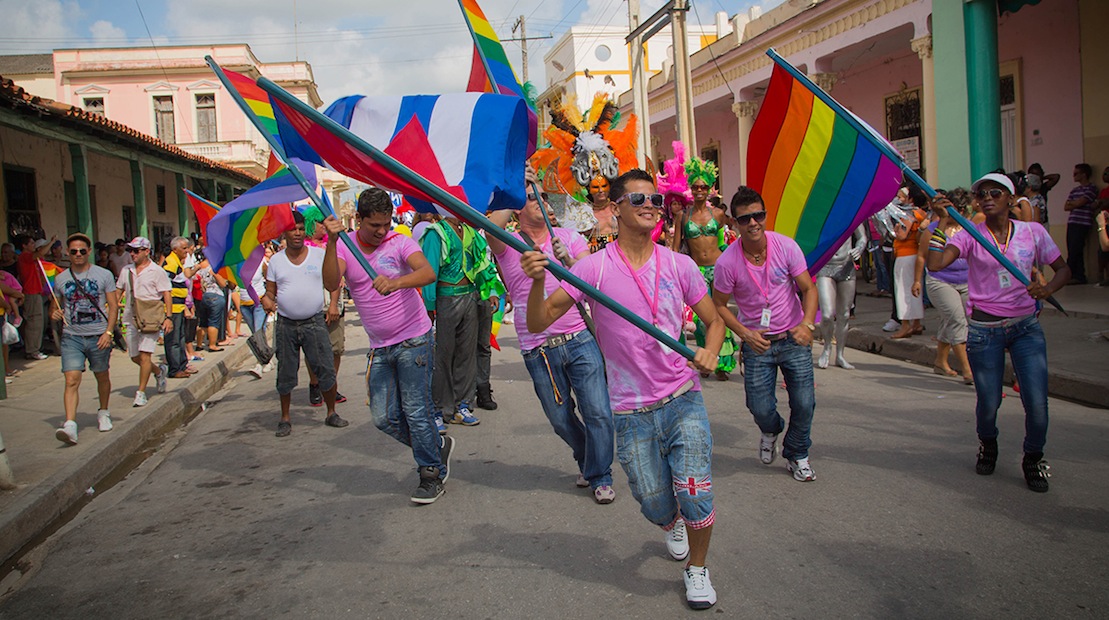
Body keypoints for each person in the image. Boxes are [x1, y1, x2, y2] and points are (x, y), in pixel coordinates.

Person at [523, 169, 725, 609]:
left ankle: (697, 568)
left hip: (682, 397)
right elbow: (538, 322)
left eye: (654, 198)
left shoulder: (679, 264)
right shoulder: (591, 269)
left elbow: (714, 320)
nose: (651, 204)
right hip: (631, 410)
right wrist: (539, 280)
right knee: (654, 503)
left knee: (695, 490)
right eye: (638, 199)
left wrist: (710, 350)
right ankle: (670, 521)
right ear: (615, 210)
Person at [927, 173, 1070, 493]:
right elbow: (935, 264)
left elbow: (1064, 269)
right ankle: (988, 445)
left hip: (1026, 329)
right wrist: (940, 223)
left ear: (1010, 197)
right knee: (989, 402)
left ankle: (1033, 457)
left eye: (995, 192)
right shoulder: (969, 235)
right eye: (981, 193)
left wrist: (1046, 289)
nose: (987, 197)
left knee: (1036, 402)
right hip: (983, 332)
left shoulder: (1033, 232)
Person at [488, 180, 617, 505]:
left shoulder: (569, 238)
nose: (540, 201)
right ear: (518, 205)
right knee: (560, 419)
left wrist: (571, 264)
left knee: (598, 412)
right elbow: (489, 228)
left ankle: (600, 474)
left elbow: (593, 283)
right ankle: (587, 457)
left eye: (542, 197)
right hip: (537, 348)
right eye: (530, 197)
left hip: (578, 339)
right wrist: (515, 187)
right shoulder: (509, 242)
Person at [322, 191, 452, 504]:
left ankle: (430, 474)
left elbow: (427, 272)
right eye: (374, 225)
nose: (382, 230)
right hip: (379, 346)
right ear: (360, 220)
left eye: (386, 223)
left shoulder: (400, 242)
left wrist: (394, 283)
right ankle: (436, 447)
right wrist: (330, 242)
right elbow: (330, 283)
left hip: (414, 340)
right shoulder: (346, 246)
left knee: (416, 410)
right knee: (384, 418)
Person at [713, 186, 819, 482]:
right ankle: (770, 429)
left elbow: (808, 288)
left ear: (765, 215)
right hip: (758, 344)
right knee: (759, 407)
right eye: (745, 219)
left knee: (804, 402)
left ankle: (797, 453)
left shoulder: (786, 247)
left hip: (793, 337)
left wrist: (807, 324)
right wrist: (745, 335)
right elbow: (719, 306)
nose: (753, 223)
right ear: (734, 223)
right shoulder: (727, 263)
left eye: (758, 215)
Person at [262, 212, 348, 437]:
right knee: (286, 373)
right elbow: (270, 292)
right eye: (293, 229)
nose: (298, 233)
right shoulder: (276, 261)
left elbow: (332, 282)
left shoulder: (319, 255)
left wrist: (332, 243)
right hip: (286, 325)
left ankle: (331, 412)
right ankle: (285, 418)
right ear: (285, 232)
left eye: (301, 228)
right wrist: (267, 300)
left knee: (326, 370)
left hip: (314, 322)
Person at [421, 215, 503, 428]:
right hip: (446, 297)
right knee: (444, 355)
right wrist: (429, 306)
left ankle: (461, 405)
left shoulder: (470, 232)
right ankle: (439, 409)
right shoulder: (435, 232)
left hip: (470, 296)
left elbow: (483, 263)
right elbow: (429, 271)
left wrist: (491, 290)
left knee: (467, 355)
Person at [669, 150, 738, 381]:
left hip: (717, 269)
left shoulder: (718, 214)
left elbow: (729, 240)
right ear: (691, 188)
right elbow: (677, 247)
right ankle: (705, 356)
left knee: (720, 313)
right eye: (696, 187)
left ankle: (723, 363)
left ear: (709, 189)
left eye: (704, 187)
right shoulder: (683, 216)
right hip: (695, 271)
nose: (699, 191)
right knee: (699, 319)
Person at [52, 233, 119, 444]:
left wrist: (108, 332)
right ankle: (70, 424)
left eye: (82, 251)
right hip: (72, 336)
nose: (78, 254)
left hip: (98, 335)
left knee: (101, 375)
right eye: (74, 252)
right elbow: (56, 306)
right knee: (71, 379)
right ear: (68, 254)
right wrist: (54, 313)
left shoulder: (104, 275)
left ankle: (104, 411)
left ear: (89, 252)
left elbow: (113, 305)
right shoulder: (61, 279)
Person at [917, 189, 973, 384]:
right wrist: (917, 281)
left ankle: (940, 361)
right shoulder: (933, 229)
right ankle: (968, 369)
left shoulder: (970, 228)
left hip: (967, 282)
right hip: (940, 281)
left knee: (955, 319)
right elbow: (923, 257)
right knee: (957, 319)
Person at [115, 237, 170, 408]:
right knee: (135, 356)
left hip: (150, 317)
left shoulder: (157, 271)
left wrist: (168, 317)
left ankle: (141, 392)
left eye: (136, 250)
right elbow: (119, 290)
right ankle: (158, 371)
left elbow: (166, 293)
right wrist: (113, 307)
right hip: (131, 317)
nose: (133, 254)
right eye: (130, 250)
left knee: (146, 355)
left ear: (147, 251)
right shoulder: (127, 270)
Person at [815, 226, 865, 369]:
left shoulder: (852, 212)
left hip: (846, 266)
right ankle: (827, 347)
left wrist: (859, 248)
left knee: (844, 314)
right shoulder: (824, 213)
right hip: (825, 266)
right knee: (827, 314)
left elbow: (862, 237)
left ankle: (840, 355)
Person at [163, 237, 203, 379]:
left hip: (180, 304)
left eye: (187, 248)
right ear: (175, 249)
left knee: (180, 337)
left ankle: (182, 365)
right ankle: (174, 369)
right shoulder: (170, 262)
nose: (187, 251)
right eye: (184, 248)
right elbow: (165, 285)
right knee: (173, 340)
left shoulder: (178, 262)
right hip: (173, 306)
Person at [890, 187, 927, 338]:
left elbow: (902, 235)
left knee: (903, 290)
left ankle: (905, 325)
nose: (899, 199)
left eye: (902, 197)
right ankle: (916, 323)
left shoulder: (908, 214)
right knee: (915, 290)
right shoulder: (922, 214)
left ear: (910, 199)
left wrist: (896, 229)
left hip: (905, 254)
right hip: (915, 254)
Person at [15, 234, 54, 360]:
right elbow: (39, 253)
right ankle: (32, 350)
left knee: (38, 322)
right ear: (24, 246)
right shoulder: (25, 256)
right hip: (30, 292)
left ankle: (36, 347)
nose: (33, 246)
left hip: (36, 292)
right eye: (31, 243)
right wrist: (52, 242)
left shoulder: (30, 259)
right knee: (34, 322)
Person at [1063, 163, 1097, 284]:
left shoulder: (1091, 188)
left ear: (1084, 174)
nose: (1074, 175)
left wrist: (1075, 203)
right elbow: (1066, 206)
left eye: (1076, 173)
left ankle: (1068, 275)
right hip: (1072, 222)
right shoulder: (1075, 190)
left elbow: (1079, 203)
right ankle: (1078, 276)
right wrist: (1075, 203)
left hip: (1083, 223)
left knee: (1075, 249)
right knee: (1072, 248)